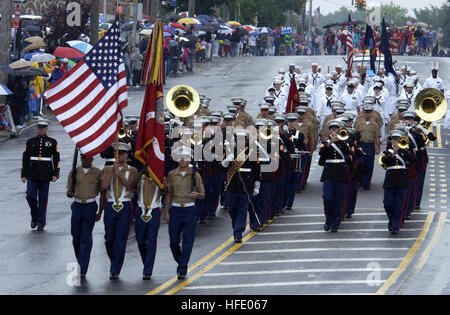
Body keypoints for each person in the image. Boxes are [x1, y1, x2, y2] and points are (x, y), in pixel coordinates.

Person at [99, 142, 139, 280]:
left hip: (125, 205)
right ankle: (114, 261)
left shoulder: (132, 170)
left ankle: (115, 269)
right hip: (110, 206)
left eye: (122, 153)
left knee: (120, 239)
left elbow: (132, 188)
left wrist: (120, 174)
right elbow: (103, 187)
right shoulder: (107, 169)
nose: (120, 156)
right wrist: (111, 172)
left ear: (127, 155)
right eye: (117, 153)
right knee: (109, 239)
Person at [164, 146, 205, 279]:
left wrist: (196, 194)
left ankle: (182, 268)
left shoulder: (195, 175)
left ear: (189, 159)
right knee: (173, 241)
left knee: (188, 241)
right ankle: (182, 260)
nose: (183, 160)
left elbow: (203, 194)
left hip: (189, 209)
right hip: (175, 209)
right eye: (181, 157)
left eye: (186, 157)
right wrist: (166, 212)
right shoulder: (171, 174)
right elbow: (168, 193)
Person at [66, 153, 102, 279]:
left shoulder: (98, 172)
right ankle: (81, 259)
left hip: (90, 206)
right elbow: (69, 189)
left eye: (87, 158)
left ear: (92, 158)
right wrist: (69, 193)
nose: (84, 161)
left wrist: (100, 211)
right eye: (82, 158)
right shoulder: (74, 172)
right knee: (75, 236)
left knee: (85, 237)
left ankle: (82, 267)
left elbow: (102, 191)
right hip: (77, 206)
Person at [222, 128, 260, 242]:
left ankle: (238, 232)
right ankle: (236, 226)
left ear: (246, 139)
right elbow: (223, 167)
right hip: (232, 185)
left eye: (242, 139)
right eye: (238, 139)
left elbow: (256, 169)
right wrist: (226, 161)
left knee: (242, 210)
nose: (240, 142)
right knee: (232, 209)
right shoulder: (231, 152)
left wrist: (257, 185)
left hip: (246, 185)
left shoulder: (251, 152)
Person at [21, 119, 60, 231]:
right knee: (30, 195)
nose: (41, 130)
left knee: (43, 199)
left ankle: (41, 222)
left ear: (46, 129)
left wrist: (55, 173)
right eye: (39, 128)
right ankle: (35, 216)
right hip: (32, 173)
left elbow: (56, 159)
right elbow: (25, 158)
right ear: (36, 129)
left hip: (45, 173)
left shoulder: (52, 141)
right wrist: (23, 174)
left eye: (43, 128)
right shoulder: (30, 141)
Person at [318, 120, 351, 232]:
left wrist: (339, 141)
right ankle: (328, 219)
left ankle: (336, 222)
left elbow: (348, 152)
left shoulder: (345, 141)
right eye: (332, 129)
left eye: (336, 129)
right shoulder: (325, 142)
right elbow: (321, 153)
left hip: (341, 172)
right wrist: (329, 143)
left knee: (339, 199)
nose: (334, 131)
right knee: (328, 198)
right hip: (329, 173)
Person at [381, 129, 414, 234]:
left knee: (399, 205)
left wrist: (404, 150)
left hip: (401, 181)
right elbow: (385, 161)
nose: (395, 141)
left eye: (397, 139)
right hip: (390, 181)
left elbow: (414, 160)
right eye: (393, 139)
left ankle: (395, 225)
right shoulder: (387, 152)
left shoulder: (405, 152)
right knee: (387, 204)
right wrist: (394, 152)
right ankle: (391, 220)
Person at [133, 167, 163, 280]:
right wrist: (141, 171)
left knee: (151, 241)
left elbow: (167, 190)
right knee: (140, 240)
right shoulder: (140, 178)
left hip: (154, 210)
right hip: (140, 209)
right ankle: (147, 262)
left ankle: (148, 270)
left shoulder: (160, 179)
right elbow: (132, 185)